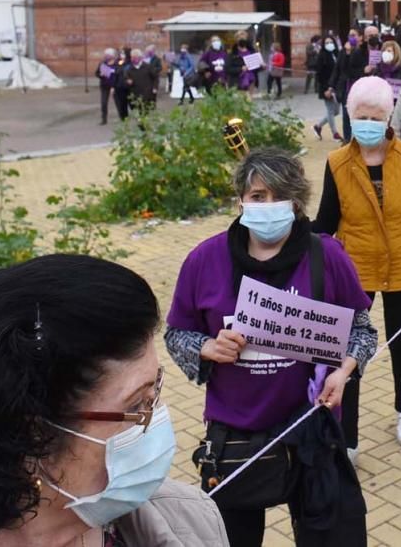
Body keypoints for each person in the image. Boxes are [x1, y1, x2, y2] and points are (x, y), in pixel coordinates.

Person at [0, 255, 230, 546]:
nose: (156, 420)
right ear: (32, 429)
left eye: (154, 392)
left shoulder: (191, 520)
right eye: (135, 406)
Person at [166, 148, 375, 545]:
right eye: (257, 196)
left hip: (312, 427)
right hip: (237, 434)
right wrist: (207, 347)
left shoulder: (326, 255)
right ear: (240, 200)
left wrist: (344, 371)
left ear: (296, 202)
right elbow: (176, 334)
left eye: (278, 196)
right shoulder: (205, 260)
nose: (267, 205)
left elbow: (362, 331)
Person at [313, 77, 401, 454]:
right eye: (360, 116)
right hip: (354, 269)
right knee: (348, 349)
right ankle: (348, 437)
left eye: (375, 116)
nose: (367, 123)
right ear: (350, 117)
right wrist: (287, 231)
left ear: (388, 117)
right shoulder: (338, 164)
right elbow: (324, 223)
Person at [313, 35, 343, 141]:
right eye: (326, 43)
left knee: (336, 112)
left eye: (331, 42)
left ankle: (318, 126)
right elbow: (319, 75)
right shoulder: (321, 57)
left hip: (336, 87)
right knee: (330, 110)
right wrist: (327, 88)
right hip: (326, 87)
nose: (329, 44)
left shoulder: (337, 54)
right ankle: (335, 133)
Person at [125, 48, 157, 114]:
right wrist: (128, 81)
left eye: (134, 57)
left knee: (145, 112)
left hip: (147, 93)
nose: (133, 59)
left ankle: (144, 123)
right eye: (132, 57)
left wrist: (155, 87)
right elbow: (126, 79)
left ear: (139, 57)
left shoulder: (147, 67)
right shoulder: (129, 69)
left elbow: (155, 77)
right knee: (139, 112)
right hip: (136, 94)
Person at [95, 47, 120, 124]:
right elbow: (96, 73)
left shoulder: (117, 64)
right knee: (104, 102)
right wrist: (101, 75)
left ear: (113, 56)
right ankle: (104, 119)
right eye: (106, 55)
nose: (107, 57)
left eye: (108, 55)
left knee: (118, 102)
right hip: (104, 85)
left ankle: (122, 116)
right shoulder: (102, 64)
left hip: (115, 86)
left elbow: (119, 74)